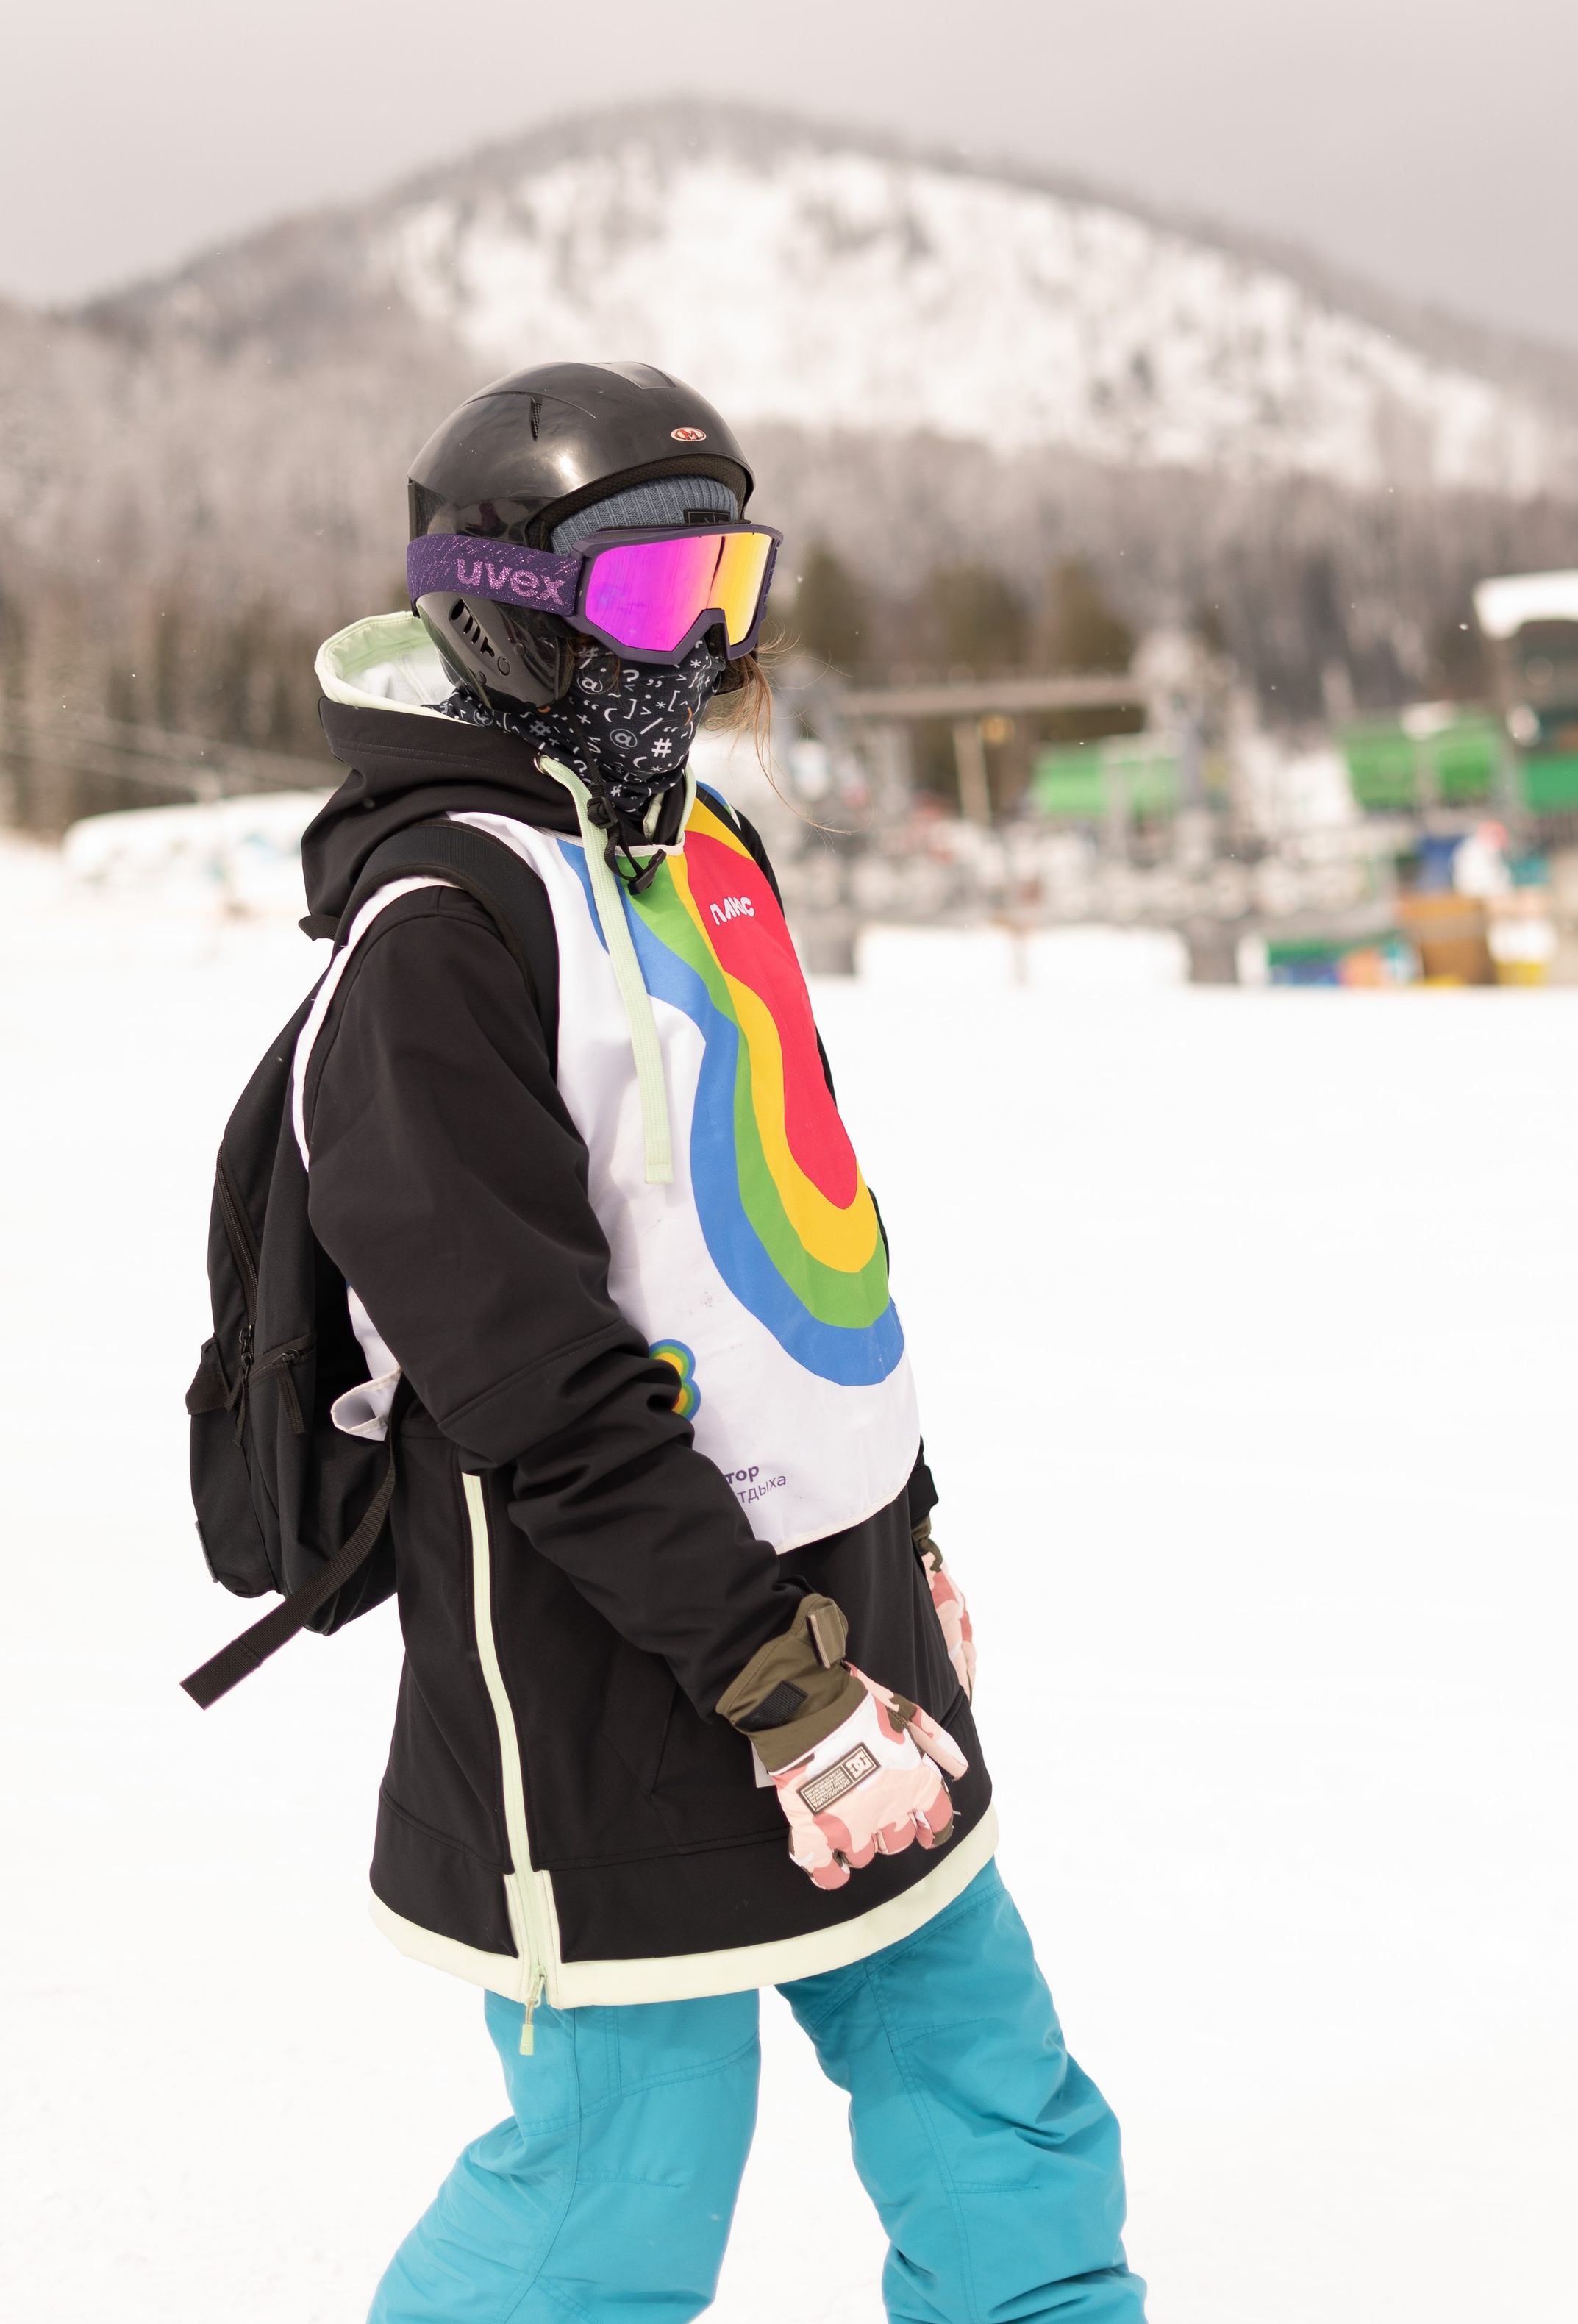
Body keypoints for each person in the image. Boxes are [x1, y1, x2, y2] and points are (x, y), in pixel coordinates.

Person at [294, 360, 1145, 2323]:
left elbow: (809, 1238)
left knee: (995, 2103)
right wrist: (783, 1689)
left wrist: (901, 1527)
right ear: (500, 602)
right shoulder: (438, 935)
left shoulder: (699, 855)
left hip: (843, 1608)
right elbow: (528, 1378)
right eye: (653, 598)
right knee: (616, 2191)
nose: (702, 650)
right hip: (604, 1660)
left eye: (726, 589)